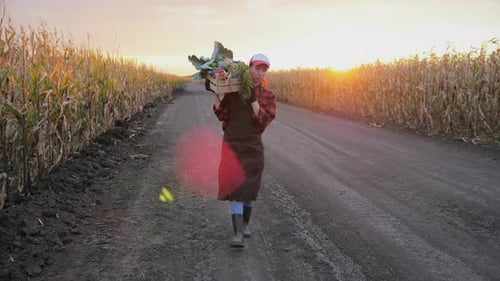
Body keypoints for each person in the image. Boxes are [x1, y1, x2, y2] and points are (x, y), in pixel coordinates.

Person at [208, 53, 277, 248]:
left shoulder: (269, 96)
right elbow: (221, 115)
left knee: (249, 190)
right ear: (249, 68)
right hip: (232, 145)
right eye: (257, 68)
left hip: (253, 147)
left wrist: (253, 98)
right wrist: (215, 92)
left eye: (264, 70)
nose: (260, 73)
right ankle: (237, 234)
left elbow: (263, 121)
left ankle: (245, 224)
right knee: (236, 189)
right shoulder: (233, 92)